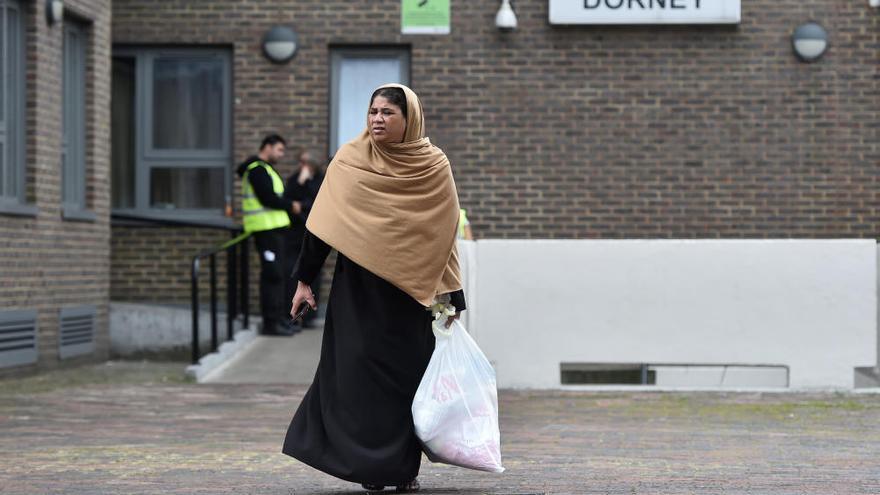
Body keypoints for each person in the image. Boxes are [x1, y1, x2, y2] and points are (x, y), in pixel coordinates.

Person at [282, 84, 466, 493]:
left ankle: (402, 470)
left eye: (388, 113)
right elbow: (322, 226)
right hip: (358, 291)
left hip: (410, 296)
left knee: (406, 380)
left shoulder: (433, 165)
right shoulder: (350, 160)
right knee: (357, 377)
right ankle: (368, 468)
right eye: (373, 111)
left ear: (409, 119)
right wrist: (304, 281)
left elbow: (443, 233)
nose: (377, 119)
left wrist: (451, 296)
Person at [235, 134, 302, 337]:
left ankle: (280, 320)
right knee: (272, 276)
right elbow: (268, 198)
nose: (281, 155)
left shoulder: (265, 169)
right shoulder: (257, 170)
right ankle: (271, 324)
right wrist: (291, 205)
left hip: (274, 231)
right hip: (265, 231)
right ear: (268, 147)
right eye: (279, 150)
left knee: (278, 276)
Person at [283, 149, 324, 328]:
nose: (301, 166)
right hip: (294, 234)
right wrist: (300, 181)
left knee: (311, 275)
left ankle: (308, 316)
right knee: (292, 275)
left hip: (312, 234)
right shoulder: (295, 179)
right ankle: (292, 315)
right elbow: (287, 199)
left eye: (304, 163)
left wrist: (302, 204)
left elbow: (318, 200)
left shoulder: (320, 180)